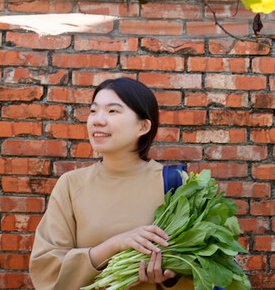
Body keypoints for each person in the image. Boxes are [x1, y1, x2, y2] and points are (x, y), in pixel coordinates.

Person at [30, 77, 193, 290]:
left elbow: (208, 268)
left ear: (143, 126)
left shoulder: (177, 184)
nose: (97, 120)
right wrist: (114, 245)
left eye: (112, 111)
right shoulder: (71, 185)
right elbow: (46, 269)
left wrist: (171, 278)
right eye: (93, 111)